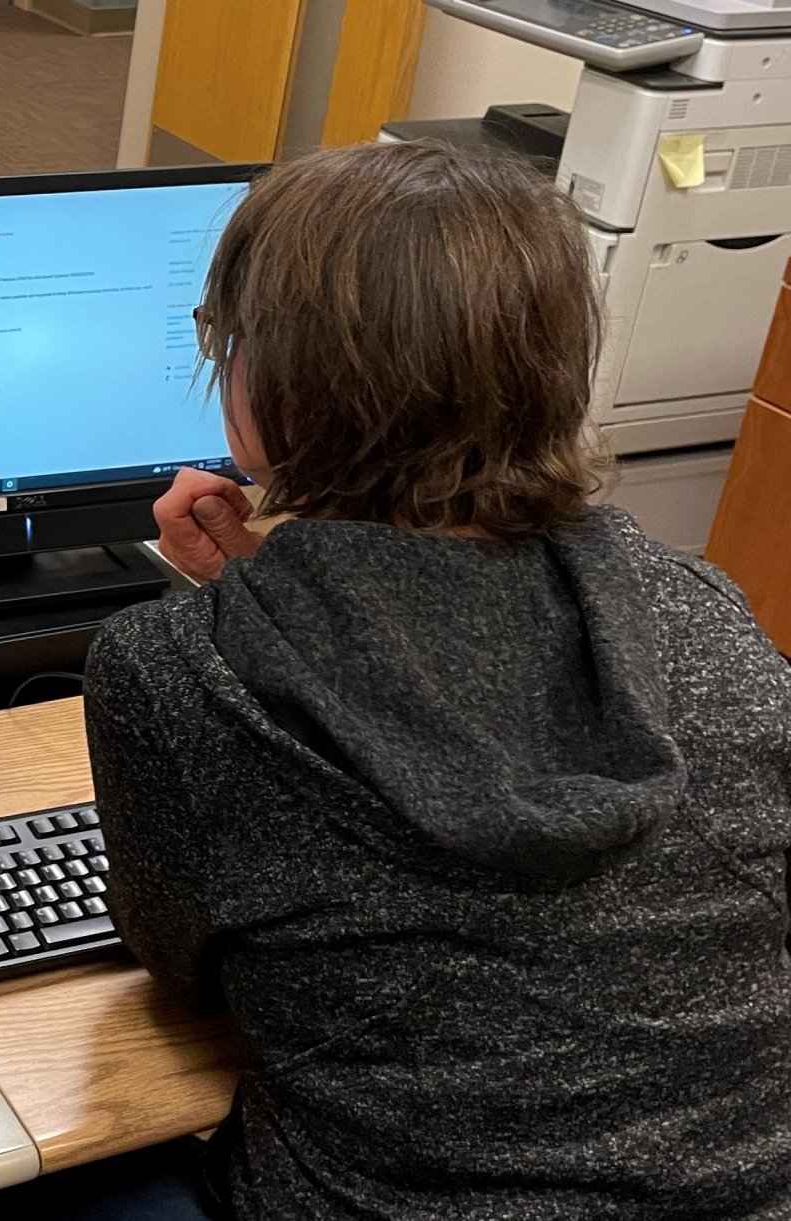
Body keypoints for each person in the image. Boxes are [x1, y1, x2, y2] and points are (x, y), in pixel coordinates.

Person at [85, 140, 791, 1219]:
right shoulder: (709, 618)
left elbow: (181, 964)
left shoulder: (178, 675)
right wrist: (288, 598)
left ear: (266, 386)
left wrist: (236, 622)